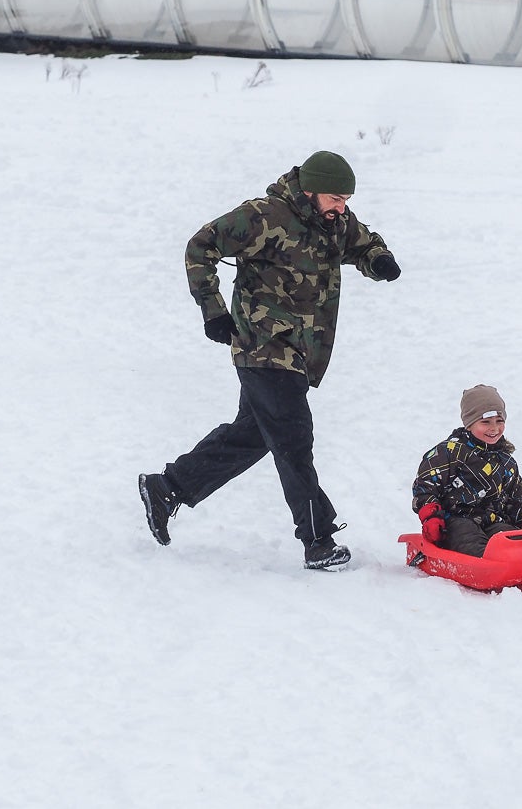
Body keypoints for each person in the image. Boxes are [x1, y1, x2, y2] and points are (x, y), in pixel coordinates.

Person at [138, 150, 401, 570]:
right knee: (294, 439)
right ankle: (318, 539)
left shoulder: (335, 221)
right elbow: (199, 246)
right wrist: (213, 310)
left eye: (347, 200)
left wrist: (377, 261)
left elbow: (364, 242)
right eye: (336, 198)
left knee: (256, 435)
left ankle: (168, 486)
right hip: (261, 345)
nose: (342, 208)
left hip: (299, 353)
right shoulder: (264, 216)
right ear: (310, 189)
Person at [411, 385, 522, 558]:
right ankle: (486, 564)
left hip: (493, 521)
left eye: (499, 421)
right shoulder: (450, 452)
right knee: (470, 539)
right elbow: (426, 485)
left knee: (514, 540)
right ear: (469, 424)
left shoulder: (505, 460)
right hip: (454, 521)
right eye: (485, 422)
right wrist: (432, 516)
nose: (494, 428)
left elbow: (516, 494)